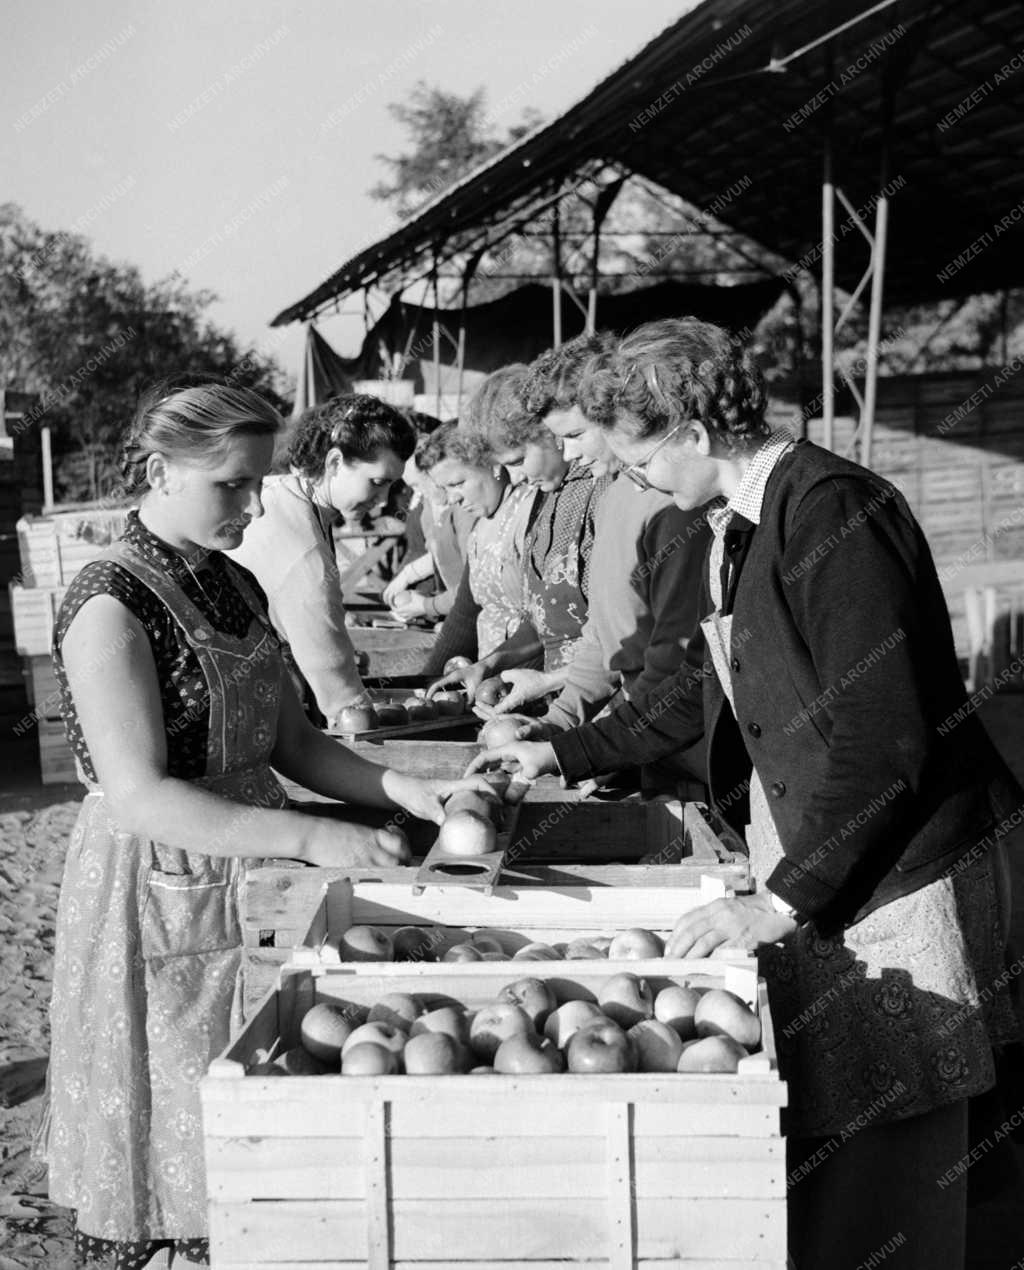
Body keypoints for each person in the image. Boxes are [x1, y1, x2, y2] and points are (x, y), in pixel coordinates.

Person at [470, 319, 1020, 1269]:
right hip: (824, 855)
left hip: (896, 870)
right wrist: (561, 752)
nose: (633, 478)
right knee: (842, 1126)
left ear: (694, 433)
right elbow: (698, 686)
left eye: (642, 456)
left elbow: (885, 736)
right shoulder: (736, 525)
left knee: (899, 1145)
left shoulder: (834, 515)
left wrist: (783, 901)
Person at [41, 382, 491, 1269]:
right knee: (177, 1117)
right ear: (159, 471)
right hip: (163, 878)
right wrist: (315, 838)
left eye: (257, 483)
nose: (252, 507)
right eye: (232, 485)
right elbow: (139, 795)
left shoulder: (232, 579)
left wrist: (405, 789)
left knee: (263, 1098)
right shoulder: (109, 602)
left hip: (255, 868)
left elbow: (295, 742)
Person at [483, 335, 709, 799]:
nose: (568, 455)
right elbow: (602, 635)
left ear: (611, 414)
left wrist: (608, 746)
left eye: (575, 435)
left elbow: (673, 655)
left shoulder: (675, 506)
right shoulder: (615, 495)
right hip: (638, 734)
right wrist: (560, 721)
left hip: (681, 745)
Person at [226, 393, 415, 723]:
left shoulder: (283, 493)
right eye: (377, 482)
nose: (384, 500)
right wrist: (357, 711)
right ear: (335, 463)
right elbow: (335, 684)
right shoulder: (302, 550)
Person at [426, 363, 613, 694]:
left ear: (547, 434)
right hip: (559, 698)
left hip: (606, 700)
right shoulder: (546, 497)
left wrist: (548, 684)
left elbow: (620, 633)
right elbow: (542, 620)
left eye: (516, 461)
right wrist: (489, 664)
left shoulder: (603, 490)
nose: (516, 478)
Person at [409, 420, 536, 656]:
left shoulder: (530, 512)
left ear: (492, 465)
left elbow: (547, 620)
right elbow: (465, 612)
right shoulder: (481, 526)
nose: (452, 499)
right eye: (445, 488)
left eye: (458, 484)